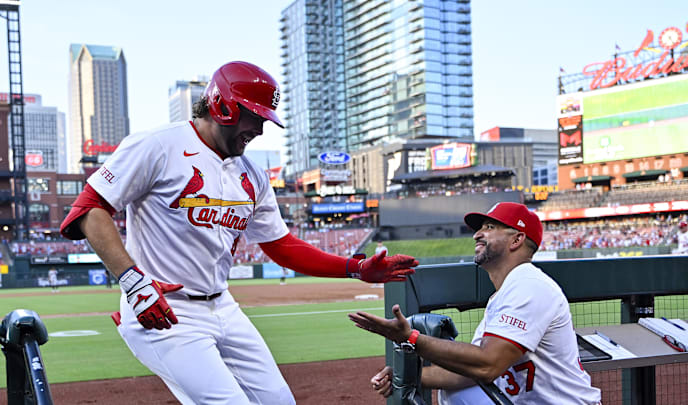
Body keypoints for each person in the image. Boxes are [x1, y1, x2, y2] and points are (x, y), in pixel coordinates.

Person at [59, 61, 419, 405]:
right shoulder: (157, 145)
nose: (260, 130)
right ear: (222, 106)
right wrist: (134, 282)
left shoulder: (251, 174)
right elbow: (90, 210)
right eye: (255, 118)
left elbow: (281, 245)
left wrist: (354, 268)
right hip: (165, 310)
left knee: (279, 401)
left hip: (223, 306)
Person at [350, 202, 601, 404]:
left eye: (490, 227)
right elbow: (468, 372)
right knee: (454, 394)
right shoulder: (504, 294)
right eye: (481, 228)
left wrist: (412, 339)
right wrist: (410, 376)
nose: (477, 234)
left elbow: (487, 364)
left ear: (516, 240)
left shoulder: (529, 285)